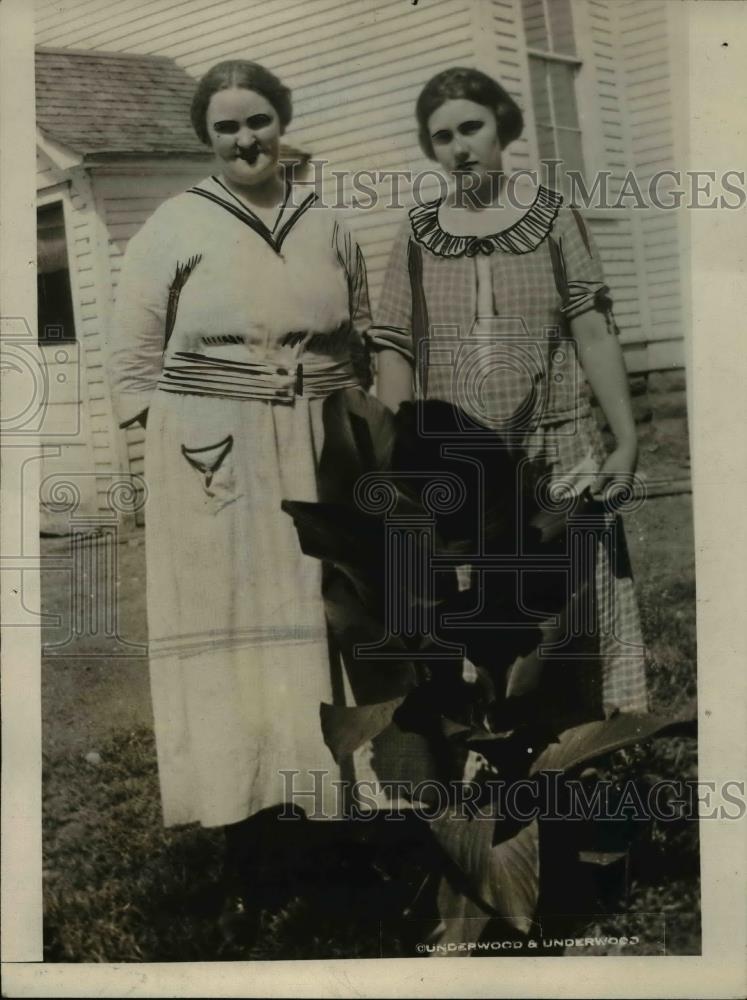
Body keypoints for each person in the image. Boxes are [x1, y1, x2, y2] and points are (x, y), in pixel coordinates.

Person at [107, 60, 372, 931]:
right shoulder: (175, 225)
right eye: (226, 127)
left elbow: (361, 338)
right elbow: (133, 360)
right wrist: (181, 451)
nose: (246, 139)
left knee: (325, 620)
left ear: (282, 122)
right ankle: (248, 843)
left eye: (259, 120)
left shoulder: (327, 223)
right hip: (213, 460)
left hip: (318, 445)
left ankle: (334, 830)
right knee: (231, 636)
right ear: (206, 138)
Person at [369, 66, 649, 718]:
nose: (459, 147)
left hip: (557, 448)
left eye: (471, 127)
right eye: (442, 137)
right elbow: (395, 347)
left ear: (502, 128)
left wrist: (626, 439)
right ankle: (493, 768)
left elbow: (592, 329)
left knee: (573, 611)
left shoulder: (553, 218)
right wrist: (389, 457)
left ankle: (588, 756)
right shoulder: (416, 234)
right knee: (485, 624)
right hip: (461, 466)